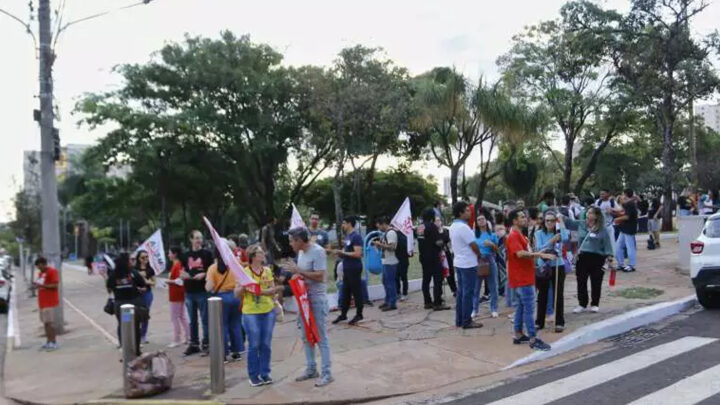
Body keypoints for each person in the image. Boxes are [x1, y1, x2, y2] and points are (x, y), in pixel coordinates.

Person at [285, 228, 334, 387]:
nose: (290, 243)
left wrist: (299, 271)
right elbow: (304, 274)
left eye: (292, 240)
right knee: (306, 336)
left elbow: (321, 276)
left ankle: (327, 373)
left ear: (300, 240)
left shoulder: (318, 251)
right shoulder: (300, 253)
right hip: (304, 298)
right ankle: (311, 368)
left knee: (321, 336)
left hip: (316, 299)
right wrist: (296, 276)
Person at [506, 209, 554, 351]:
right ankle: (533, 338)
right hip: (522, 278)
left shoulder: (519, 235)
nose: (525, 219)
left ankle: (519, 334)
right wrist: (539, 254)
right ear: (514, 221)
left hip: (522, 277)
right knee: (529, 308)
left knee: (521, 307)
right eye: (522, 217)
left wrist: (537, 253)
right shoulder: (514, 236)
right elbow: (520, 254)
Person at [236, 245, 278, 387]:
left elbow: (273, 289)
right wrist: (243, 286)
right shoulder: (244, 272)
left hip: (268, 310)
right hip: (251, 312)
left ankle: (265, 373)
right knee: (254, 344)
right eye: (260, 252)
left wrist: (262, 292)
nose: (263, 254)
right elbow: (236, 294)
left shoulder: (267, 270)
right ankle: (253, 375)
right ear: (253, 256)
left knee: (266, 344)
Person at [559, 206, 615, 313]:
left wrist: (610, 257)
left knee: (596, 281)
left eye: (590, 213)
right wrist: (560, 216)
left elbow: (607, 244)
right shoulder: (581, 224)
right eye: (587, 212)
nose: (587, 215)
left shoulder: (603, 229)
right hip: (583, 256)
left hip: (598, 258)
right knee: (581, 280)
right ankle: (582, 303)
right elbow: (569, 223)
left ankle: (595, 303)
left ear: (596, 216)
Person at [206, 245, 245, 362]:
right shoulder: (234, 266)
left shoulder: (213, 268)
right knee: (236, 324)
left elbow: (209, 287)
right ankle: (237, 351)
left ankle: (223, 354)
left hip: (221, 298)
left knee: (222, 326)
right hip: (235, 296)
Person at [534, 210, 569, 333]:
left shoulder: (559, 232)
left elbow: (565, 238)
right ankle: (539, 321)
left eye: (552, 220)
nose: (549, 223)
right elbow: (539, 248)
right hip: (543, 266)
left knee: (558, 294)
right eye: (547, 220)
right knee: (542, 294)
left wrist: (561, 222)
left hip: (557, 265)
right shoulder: (539, 233)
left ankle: (559, 322)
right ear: (544, 221)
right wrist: (551, 241)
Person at [450, 201, 483, 329]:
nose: (470, 212)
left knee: (462, 293)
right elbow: (473, 245)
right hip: (468, 264)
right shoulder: (464, 227)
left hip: (459, 262)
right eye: (467, 210)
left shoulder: (453, 226)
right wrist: (479, 255)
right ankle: (467, 320)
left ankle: (460, 319)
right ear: (461, 213)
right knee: (468, 293)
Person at [106, 252, 147, 356]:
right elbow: (142, 284)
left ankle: (124, 348)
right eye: (130, 260)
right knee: (136, 327)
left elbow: (109, 288)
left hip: (120, 305)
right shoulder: (133, 273)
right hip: (134, 304)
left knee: (123, 326)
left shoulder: (113, 275)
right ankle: (136, 350)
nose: (132, 262)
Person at [181, 230, 214, 356]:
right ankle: (194, 343)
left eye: (200, 238)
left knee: (205, 318)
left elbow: (212, 269)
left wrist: (204, 274)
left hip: (203, 290)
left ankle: (207, 342)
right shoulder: (186, 255)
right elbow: (183, 269)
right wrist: (183, 275)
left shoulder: (207, 254)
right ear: (191, 240)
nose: (199, 240)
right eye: (196, 238)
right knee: (192, 319)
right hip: (189, 290)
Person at [332, 216, 365, 325]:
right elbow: (348, 251)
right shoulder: (348, 236)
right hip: (347, 268)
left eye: (344, 223)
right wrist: (340, 253)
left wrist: (343, 253)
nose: (342, 225)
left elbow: (358, 254)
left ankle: (359, 314)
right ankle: (343, 314)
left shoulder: (356, 237)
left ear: (350, 224)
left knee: (356, 292)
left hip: (354, 268)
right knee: (345, 291)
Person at [418, 208, 449, 311]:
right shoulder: (432, 226)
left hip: (423, 256)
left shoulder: (420, 227)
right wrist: (443, 240)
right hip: (433, 256)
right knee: (437, 279)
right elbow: (438, 242)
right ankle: (437, 303)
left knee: (426, 280)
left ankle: (427, 302)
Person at [473, 214, 500, 318]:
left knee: (493, 286)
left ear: (486, 221)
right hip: (478, 260)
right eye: (478, 219)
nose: (481, 221)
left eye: (482, 219)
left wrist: (492, 245)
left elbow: (498, 250)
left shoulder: (492, 234)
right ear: (476, 223)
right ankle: (474, 309)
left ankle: (494, 309)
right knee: (476, 287)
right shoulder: (474, 235)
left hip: (490, 259)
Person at [374, 216, 399, 311]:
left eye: (379, 226)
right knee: (385, 282)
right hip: (386, 261)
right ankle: (388, 300)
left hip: (391, 262)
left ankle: (392, 303)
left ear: (383, 224)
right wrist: (379, 246)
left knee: (390, 283)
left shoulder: (391, 233)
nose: (379, 228)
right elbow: (385, 247)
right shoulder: (385, 234)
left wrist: (380, 245)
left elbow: (392, 247)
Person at [34, 257, 60, 351]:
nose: (39, 268)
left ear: (44, 264)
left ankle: (54, 342)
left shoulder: (52, 272)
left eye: (40, 266)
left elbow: (55, 285)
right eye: (37, 267)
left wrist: (42, 285)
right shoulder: (41, 274)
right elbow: (40, 284)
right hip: (42, 302)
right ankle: (48, 341)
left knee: (50, 323)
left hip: (49, 301)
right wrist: (36, 285)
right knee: (45, 323)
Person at [168, 247, 190, 348]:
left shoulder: (177, 265)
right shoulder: (178, 264)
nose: (168, 255)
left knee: (175, 317)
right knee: (182, 316)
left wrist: (168, 281)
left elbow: (179, 280)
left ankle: (177, 338)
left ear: (175, 254)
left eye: (170, 253)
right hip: (178, 293)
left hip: (176, 293)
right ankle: (188, 337)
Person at [615, 189, 639, 272]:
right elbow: (623, 213)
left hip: (629, 228)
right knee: (618, 246)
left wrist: (617, 219)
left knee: (630, 247)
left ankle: (631, 265)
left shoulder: (630, 204)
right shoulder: (627, 204)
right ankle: (621, 264)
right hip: (624, 228)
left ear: (625, 194)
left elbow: (627, 217)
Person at [135, 250, 156, 344]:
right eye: (143, 257)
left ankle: (143, 335)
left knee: (144, 314)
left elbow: (154, 283)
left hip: (147, 294)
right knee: (136, 315)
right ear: (138, 259)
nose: (145, 259)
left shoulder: (150, 269)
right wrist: (138, 287)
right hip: (136, 295)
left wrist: (147, 281)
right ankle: (136, 334)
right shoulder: (134, 269)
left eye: (147, 257)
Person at [438, 217, 457, 297]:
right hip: (438, 254)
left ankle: (454, 290)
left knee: (450, 271)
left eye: (439, 220)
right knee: (439, 273)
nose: (438, 222)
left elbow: (449, 241)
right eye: (436, 220)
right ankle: (440, 292)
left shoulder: (446, 231)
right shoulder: (434, 232)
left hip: (447, 253)